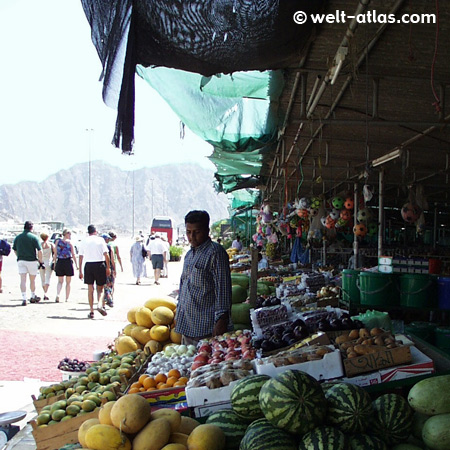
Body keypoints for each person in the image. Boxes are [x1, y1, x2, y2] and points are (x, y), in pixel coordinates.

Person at [175, 210, 232, 346]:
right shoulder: (189, 255)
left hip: (206, 330)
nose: (192, 237)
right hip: (187, 326)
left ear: (207, 230)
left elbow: (223, 290)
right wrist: (179, 312)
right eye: (188, 232)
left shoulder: (215, 253)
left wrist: (221, 321)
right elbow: (183, 285)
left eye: (197, 232)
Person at [78, 224, 111, 319]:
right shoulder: (100, 240)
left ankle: (91, 310)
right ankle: (100, 304)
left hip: (88, 265)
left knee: (90, 289)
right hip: (100, 264)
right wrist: (108, 267)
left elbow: (80, 256)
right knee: (100, 289)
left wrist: (80, 270)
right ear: (95, 231)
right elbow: (106, 254)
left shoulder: (84, 241)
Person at [12, 221, 44, 305]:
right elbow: (40, 250)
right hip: (32, 261)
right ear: (31, 228)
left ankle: (24, 297)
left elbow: (14, 249)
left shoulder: (18, 237)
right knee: (32, 280)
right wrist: (41, 261)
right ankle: (33, 295)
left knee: (23, 279)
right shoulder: (34, 237)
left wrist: (19, 256)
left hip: (21, 260)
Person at [54, 229, 78, 303]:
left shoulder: (58, 242)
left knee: (60, 281)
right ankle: (67, 298)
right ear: (67, 234)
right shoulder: (70, 243)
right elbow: (73, 254)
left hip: (60, 261)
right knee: (68, 282)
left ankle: (58, 294)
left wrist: (54, 263)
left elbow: (55, 253)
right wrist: (76, 264)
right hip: (67, 262)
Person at [101, 234, 116, 307]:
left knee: (103, 285)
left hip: (101, 266)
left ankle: (103, 303)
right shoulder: (109, 247)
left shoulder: (99, 247)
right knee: (110, 284)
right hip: (109, 266)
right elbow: (112, 259)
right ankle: (109, 299)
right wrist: (114, 268)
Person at [39, 233, 54, 300]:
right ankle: (46, 293)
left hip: (41, 262)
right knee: (48, 278)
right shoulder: (50, 244)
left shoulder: (39, 245)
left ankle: (44, 292)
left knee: (42, 278)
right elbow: (54, 253)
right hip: (48, 262)